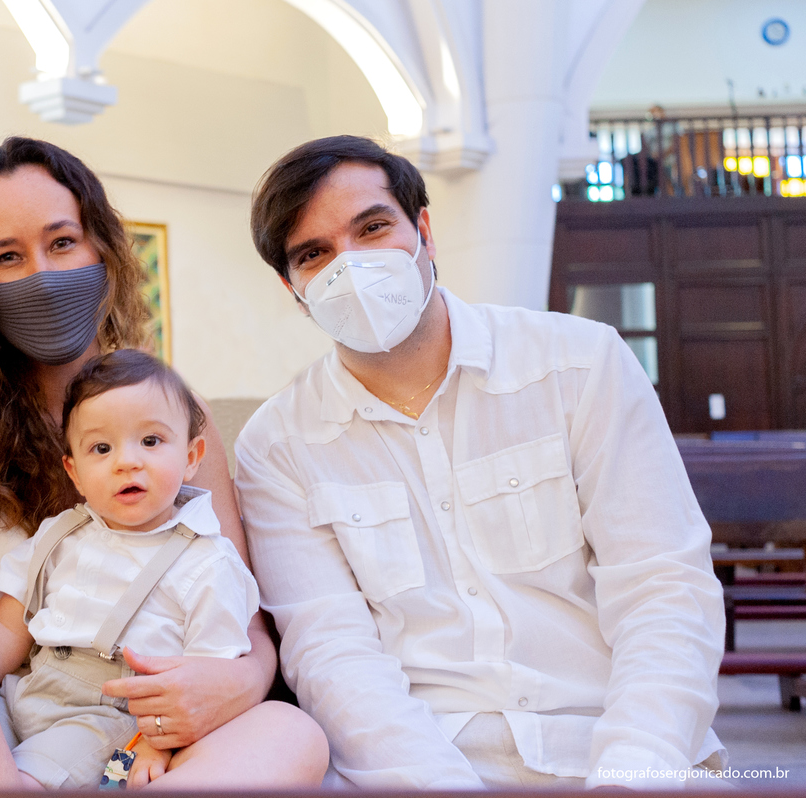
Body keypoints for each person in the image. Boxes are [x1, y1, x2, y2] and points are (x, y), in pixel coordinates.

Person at [234, 135, 726, 790]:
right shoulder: (277, 446)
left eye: (372, 228)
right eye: (314, 254)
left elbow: (663, 589)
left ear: (424, 232)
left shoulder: (580, 365)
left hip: (614, 741)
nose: (348, 266)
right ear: (292, 288)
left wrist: (633, 771)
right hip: (419, 762)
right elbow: (333, 656)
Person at [0, 136, 327, 790]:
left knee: (290, 737)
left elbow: (244, 624)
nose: (43, 275)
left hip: (133, 716)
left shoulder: (177, 416)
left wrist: (230, 686)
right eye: (8, 257)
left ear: (100, 247)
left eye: (62, 243)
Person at [0, 349, 261, 789]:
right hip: (27, 690)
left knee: (29, 778)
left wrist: (157, 741)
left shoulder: (208, 562)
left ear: (191, 456)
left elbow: (208, 678)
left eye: (150, 441)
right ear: (73, 471)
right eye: (101, 448)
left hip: (109, 717)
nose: (126, 461)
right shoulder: (62, 536)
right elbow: (11, 629)